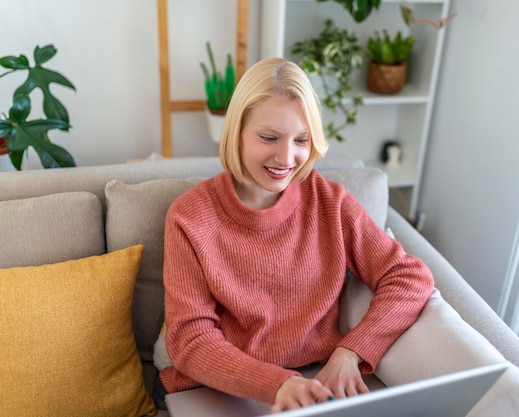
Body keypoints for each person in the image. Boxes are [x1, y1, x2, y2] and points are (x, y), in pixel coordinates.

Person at [158, 57, 434, 413]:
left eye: (301, 139)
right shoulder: (190, 217)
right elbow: (190, 341)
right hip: (221, 390)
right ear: (237, 131)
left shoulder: (329, 202)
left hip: (316, 384)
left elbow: (408, 276)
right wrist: (277, 385)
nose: (287, 158)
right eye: (269, 137)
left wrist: (352, 351)